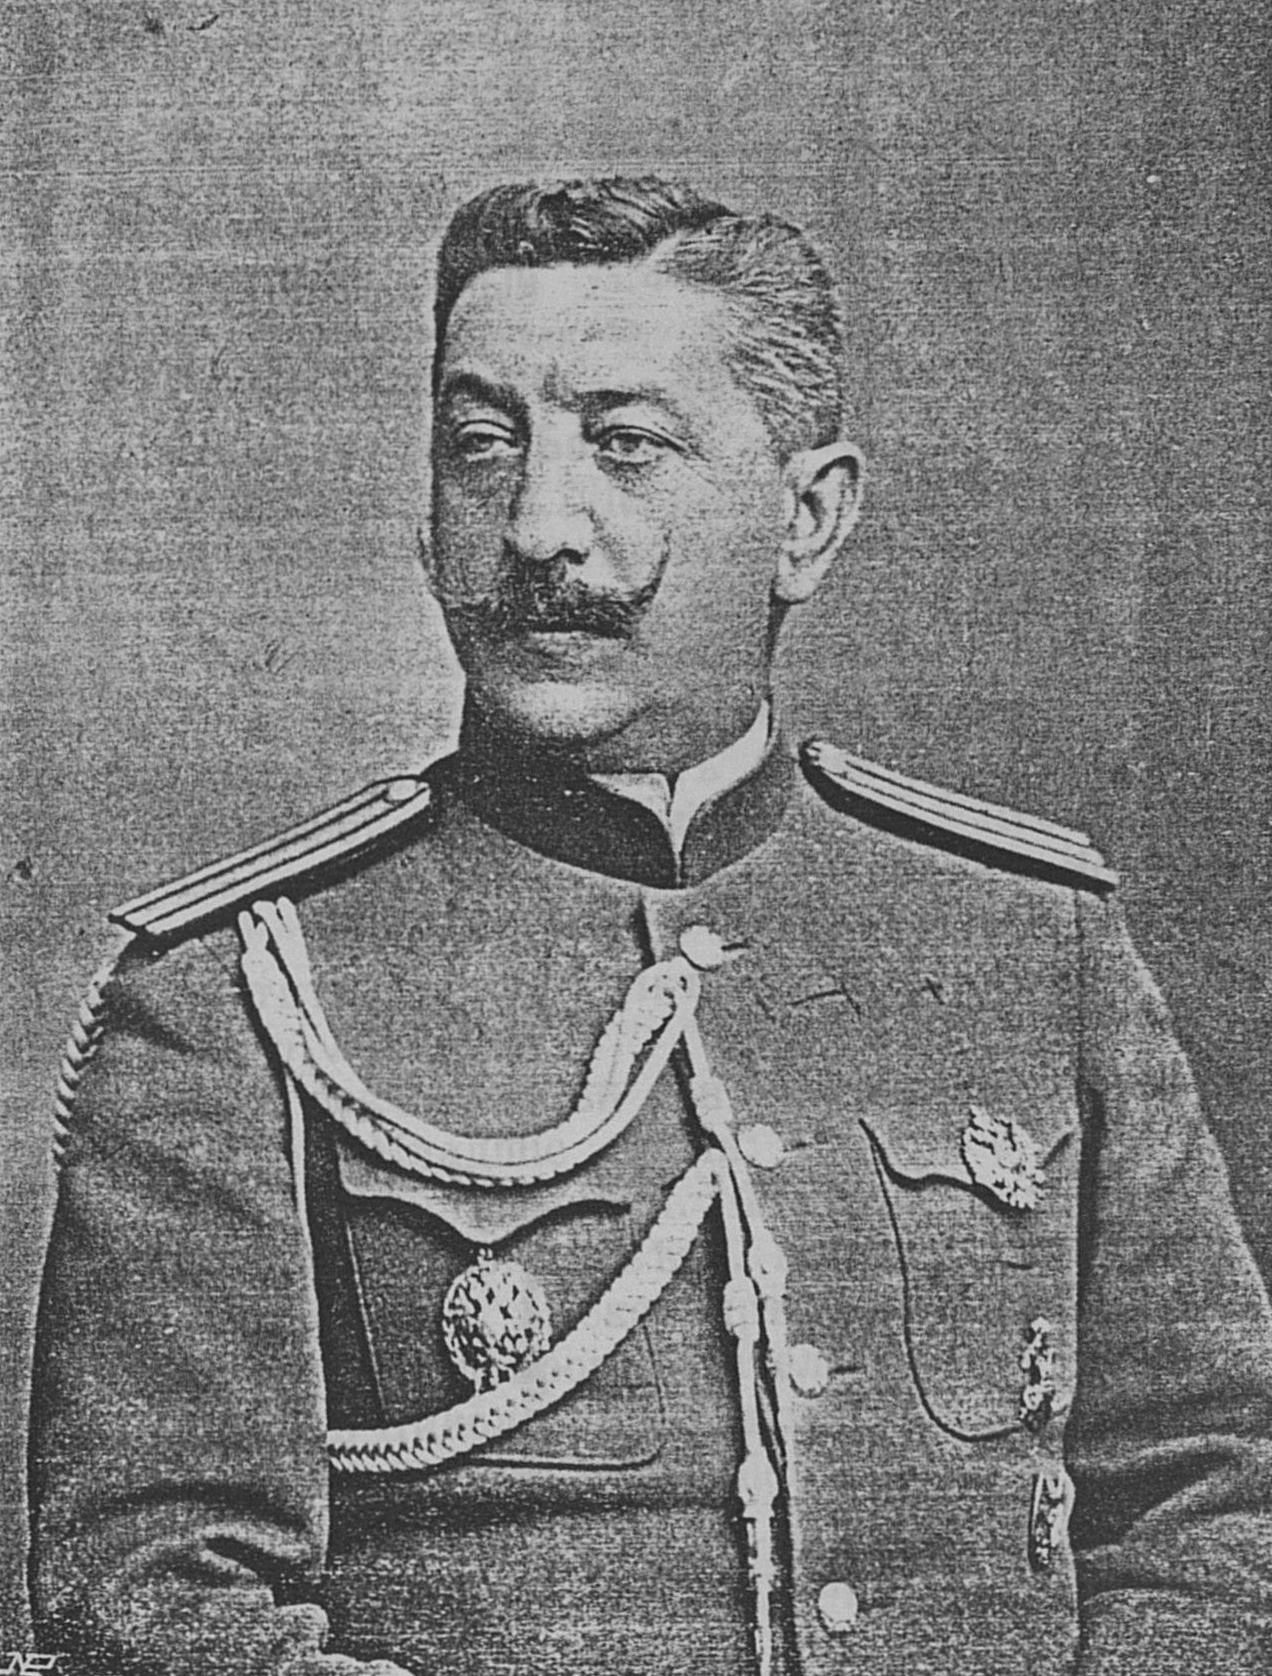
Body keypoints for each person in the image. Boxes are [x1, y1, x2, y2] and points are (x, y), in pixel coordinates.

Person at [27, 177, 1272, 1676]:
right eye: (482, 443)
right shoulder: (236, 989)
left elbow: (1213, 1510)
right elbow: (156, 1604)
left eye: (626, 444)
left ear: (807, 520)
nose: (538, 525)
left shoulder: (1029, 940)